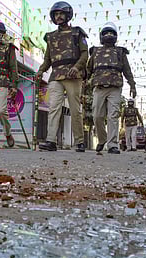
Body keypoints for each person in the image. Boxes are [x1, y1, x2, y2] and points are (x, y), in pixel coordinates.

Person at [36, 1, 88, 152]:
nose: (58, 17)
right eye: (56, 14)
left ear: (68, 15)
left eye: (61, 14)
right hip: (55, 75)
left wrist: (76, 67)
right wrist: (40, 71)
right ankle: (51, 140)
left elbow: (85, 54)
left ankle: (79, 141)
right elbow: (47, 60)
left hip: (73, 75)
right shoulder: (50, 37)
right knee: (53, 107)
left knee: (74, 109)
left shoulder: (77, 33)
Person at [86, 22, 136, 154]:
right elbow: (88, 70)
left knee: (113, 115)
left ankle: (113, 144)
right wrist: (82, 86)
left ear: (115, 36)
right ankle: (102, 139)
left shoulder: (120, 52)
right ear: (101, 36)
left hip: (115, 88)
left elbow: (127, 70)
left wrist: (133, 85)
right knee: (97, 116)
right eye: (106, 33)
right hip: (99, 87)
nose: (109, 35)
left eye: (111, 33)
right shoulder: (95, 51)